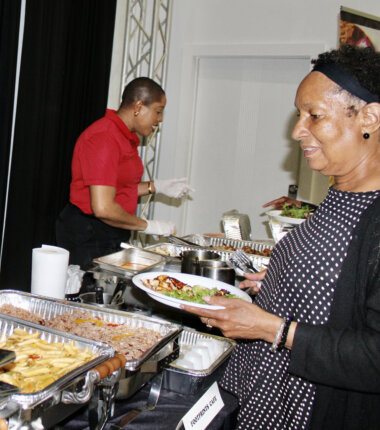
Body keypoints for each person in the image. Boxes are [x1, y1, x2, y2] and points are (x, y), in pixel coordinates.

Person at [184, 45, 380, 429]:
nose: (297, 130)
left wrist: (271, 328)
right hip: (257, 394)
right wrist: (281, 280)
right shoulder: (341, 195)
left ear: (369, 117)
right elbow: (336, 292)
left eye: (314, 116)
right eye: (298, 114)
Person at [55, 77, 193, 269]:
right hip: (89, 234)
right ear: (139, 106)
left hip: (107, 231)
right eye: (158, 111)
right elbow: (103, 207)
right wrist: (147, 225)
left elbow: (117, 189)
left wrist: (156, 187)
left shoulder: (123, 136)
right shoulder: (105, 137)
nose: (160, 119)